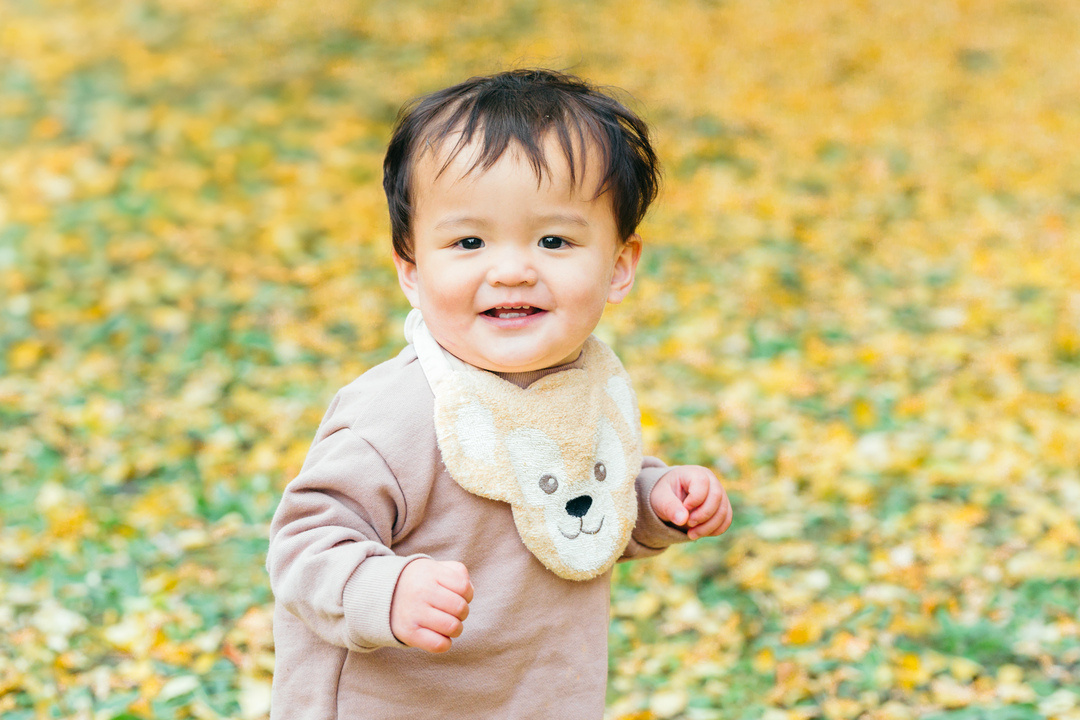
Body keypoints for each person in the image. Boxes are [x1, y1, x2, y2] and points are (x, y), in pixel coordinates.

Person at [266, 68, 733, 719]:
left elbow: (570, 513)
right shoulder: (395, 417)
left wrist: (654, 498)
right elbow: (302, 545)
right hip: (395, 703)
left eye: (553, 240)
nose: (512, 270)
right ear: (411, 270)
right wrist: (384, 589)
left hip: (540, 696)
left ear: (619, 267)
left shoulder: (583, 385)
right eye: (469, 241)